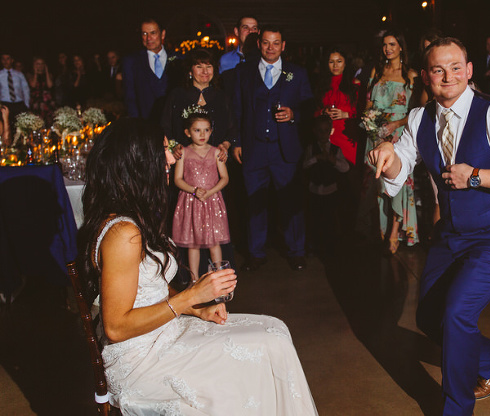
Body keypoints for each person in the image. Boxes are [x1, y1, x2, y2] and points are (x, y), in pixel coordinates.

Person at [77, 118, 317, 414]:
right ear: (137, 161)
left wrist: (197, 309)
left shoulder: (135, 217)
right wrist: (191, 296)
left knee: (275, 332)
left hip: (164, 332)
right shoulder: (122, 233)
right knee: (267, 348)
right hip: (143, 360)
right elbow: (115, 327)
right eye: (163, 151)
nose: (170, 158)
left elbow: (150, 288)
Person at [369, 37, 490, 415]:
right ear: (426, 76)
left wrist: (477, 176)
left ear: (469, 71)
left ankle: (455, 408)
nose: (448, 76)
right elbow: (400, 168)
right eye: (438, 70)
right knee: (429, 318)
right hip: (452, 232)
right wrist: (388, 156)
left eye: (455, 68)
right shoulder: (419, 119)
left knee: (456, 314)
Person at [232, 25, 314, 271]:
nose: (271, 48)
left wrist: (294, 114)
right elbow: (237, 109)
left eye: (276, 43)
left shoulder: (297, 73)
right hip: (254, 148)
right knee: (255, 203)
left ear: (283, 45)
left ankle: (296, 251)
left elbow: (309, 108)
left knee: (291, 203)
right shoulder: (243, 72)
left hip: (284, 150)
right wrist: (236, 142)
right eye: (266, 42)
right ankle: (256, 254)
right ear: (259, 44)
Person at [363, 31, 420, 254]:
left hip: (399, 134)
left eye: (392, 44)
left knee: (399, 184)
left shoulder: (411, 75)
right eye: (385, 44)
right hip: (376, 134)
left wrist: (395, 124)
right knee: (376, 183)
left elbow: (416, 111)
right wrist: (370, 122)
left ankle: (395, 231)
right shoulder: (377, 72)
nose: (388, 48)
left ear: (401, 47)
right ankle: (379, 229)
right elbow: (368, 104)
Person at [172, 110, 230, 281]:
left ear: (211, 131)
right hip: (191, 202)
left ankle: (219, 277)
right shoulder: (183, 152)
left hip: (212, 202)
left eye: (206, 130)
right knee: (194, 243)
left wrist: (210, 192)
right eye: (197, 130)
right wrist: (193, 190)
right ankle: (194, 279)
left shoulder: (216, 152)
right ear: (188, 132)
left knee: (214, 242)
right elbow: (177, 179)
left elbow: (225, 178)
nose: (202, 134)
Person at [162, 48, 234, 162]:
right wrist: (174, 146)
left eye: (209, 66)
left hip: (216, 160)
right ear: (190, 71)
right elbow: (165, 126)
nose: (205, 72)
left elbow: (232, 127)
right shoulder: (177, 95)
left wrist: (225, 145)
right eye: (199, 67)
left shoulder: (222, 97)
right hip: (183, 160)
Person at [303, 115, 350, 256]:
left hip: (330, 191)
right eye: (320, 131)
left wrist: (333, 161)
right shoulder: (311, 148)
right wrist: (316, 158)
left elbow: (345, 168)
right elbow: (304, 165)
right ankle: (313, 246)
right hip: (314, 191)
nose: (323, 134)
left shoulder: (335, 150)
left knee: (330, 221)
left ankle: (329, 248)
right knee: (314, 220)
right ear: (315, 131)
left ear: (331, 131)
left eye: (326, 131)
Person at [123, 18, 181, 121]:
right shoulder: (131, 61)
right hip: (145, 124)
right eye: (144, 34)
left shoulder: (179, 58)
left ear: (162, 34)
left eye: (153, 33)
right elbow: (130, 97)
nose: (148, 38)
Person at [314, 47, 360, 165]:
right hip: (326, 135)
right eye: (331, 62)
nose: (335, 65)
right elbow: (314, 111)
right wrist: (323, 112)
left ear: (345, 63)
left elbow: (364, 112)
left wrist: (346, 114)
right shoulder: (322, 84)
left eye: (339, 61)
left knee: (349, 168)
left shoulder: (354, 84)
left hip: (347, 134)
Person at [0, 53, 30, 128]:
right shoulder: (0, 75)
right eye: (3, 59)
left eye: (7, 59)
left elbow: (25, 90)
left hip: (19, 104)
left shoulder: (19, 74)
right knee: (7, 127)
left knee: (20, 127)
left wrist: (26, 105)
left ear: (12, 60)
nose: (5, 61)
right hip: (5, 104)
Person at [27, 57, 56, 125]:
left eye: (42, 64)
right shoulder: (30, 75)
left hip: (47, 102)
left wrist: (46, 71)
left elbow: (50, 85)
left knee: (49, 122)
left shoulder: (49, 75)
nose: (40, 66)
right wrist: (36, 73)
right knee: (37, 123)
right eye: (38, 64)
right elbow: (33, 85)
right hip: (36, 102)